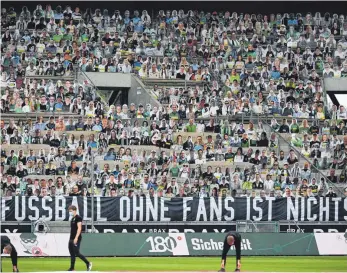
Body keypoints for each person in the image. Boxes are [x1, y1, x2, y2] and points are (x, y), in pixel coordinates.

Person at [67, 205, 92, 271]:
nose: (70, 212)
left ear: (74, 210)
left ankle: (88, 263)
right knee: (72, 253)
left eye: (71, 211)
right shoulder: (72, 218)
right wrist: (71, 238)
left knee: (77, 253)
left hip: (76, 238)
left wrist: (76, 238)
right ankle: (72, 268)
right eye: (69, 211)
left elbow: (79, 228)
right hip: (71, 238)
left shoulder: (78, 218)